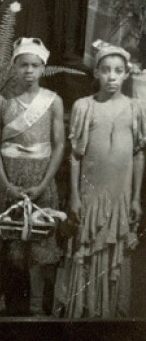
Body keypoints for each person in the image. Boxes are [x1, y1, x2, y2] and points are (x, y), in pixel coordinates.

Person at [55, 44, 144, 318]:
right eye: (105, 71)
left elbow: (139, 154)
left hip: (120, 194)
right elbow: (76, 156)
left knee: (114, 247)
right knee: (87, 246)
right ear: (96, 73)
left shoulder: (136, 108)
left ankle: (108, 315)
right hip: (91, 193)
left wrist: (135, 198)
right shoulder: (85, 107)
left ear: (127, 74)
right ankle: (83, 310)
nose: (112, 77)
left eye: (118, 71)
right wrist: (75, 196)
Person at [0, 38, 64, 316]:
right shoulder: (2, 101)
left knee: (37, 239)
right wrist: (5, 184)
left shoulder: (53, 102)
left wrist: (44, 183)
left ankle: (36, 304)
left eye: (35, 65)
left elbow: (59, 145)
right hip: (7, 178)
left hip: (40, 178)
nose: (29, 70)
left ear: (43, 68)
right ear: (13, 66)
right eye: (23, 64)